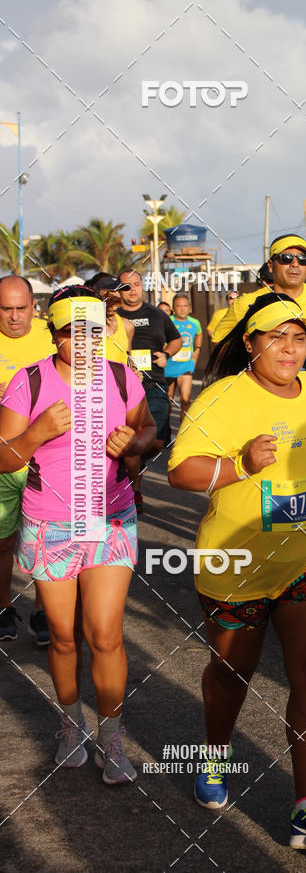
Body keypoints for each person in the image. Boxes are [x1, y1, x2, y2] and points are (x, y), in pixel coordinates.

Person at [168, 291, 306, 849]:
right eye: (276, 336)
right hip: (236, 563)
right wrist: (239, 464)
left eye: (298, 337)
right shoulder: (222, 398)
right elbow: (181, 472)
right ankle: (215, 754)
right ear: (250, 343)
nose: (289, 347)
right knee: (232, 673)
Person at [0, 286, 156, 781]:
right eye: (72, 333)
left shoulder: (121, 376)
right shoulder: (30, 381)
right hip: (51, 523)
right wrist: (36, 433)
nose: (84, 342)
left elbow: (148, 429)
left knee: (105, 634)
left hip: (110, 519)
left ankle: (111, 736)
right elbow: (3, 456)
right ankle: (71, 725)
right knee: (64, 637)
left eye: (92, 331)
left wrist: (135, 443)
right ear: (54, 334)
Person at [212, 234, 306, 378]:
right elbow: (218, 345)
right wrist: (255, 356)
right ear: (270, 265)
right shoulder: (246, 303)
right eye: (286, 258)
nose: (295, 264)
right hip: (260, 392)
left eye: (303, 259)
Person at [0, 275, 55, 645]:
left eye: (22, 308)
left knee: (45, 539)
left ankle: (43, 609)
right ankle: (3, 607)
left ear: (35, 306)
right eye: (6, 309)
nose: (15, 316)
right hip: (3, 458)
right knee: (3, 541)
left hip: (47, 458)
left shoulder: (52, 338)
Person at [117, 270, 182, 514]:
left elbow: (176, 340)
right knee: (133, 439)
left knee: (157, 441)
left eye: (136, 284)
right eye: (126, 286)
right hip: (123, 387)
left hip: (154, 383)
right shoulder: (113, 316)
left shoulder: (157, 314)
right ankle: (134, 490)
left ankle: (136, 465)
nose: (132, 290)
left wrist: (166, 354)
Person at [165, 294, 202, 425]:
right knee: (168, 401)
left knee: (185, 400)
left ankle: (183, 431)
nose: (182, 309)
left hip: (186, 366)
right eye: (179, 306)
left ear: (189, 307)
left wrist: (196, 352)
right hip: (168, 366)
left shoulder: (195, 323)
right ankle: (166, 431)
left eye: (185, 306)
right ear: (173, 308)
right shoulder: (167, 321)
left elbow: (199, 334)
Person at [88, 273, 135, 365]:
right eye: (111, 291)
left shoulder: (127, 326)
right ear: (97, 293)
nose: (117, 295)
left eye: (118, 291)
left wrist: (134, 371)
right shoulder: (83, 326)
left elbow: (129, 362)